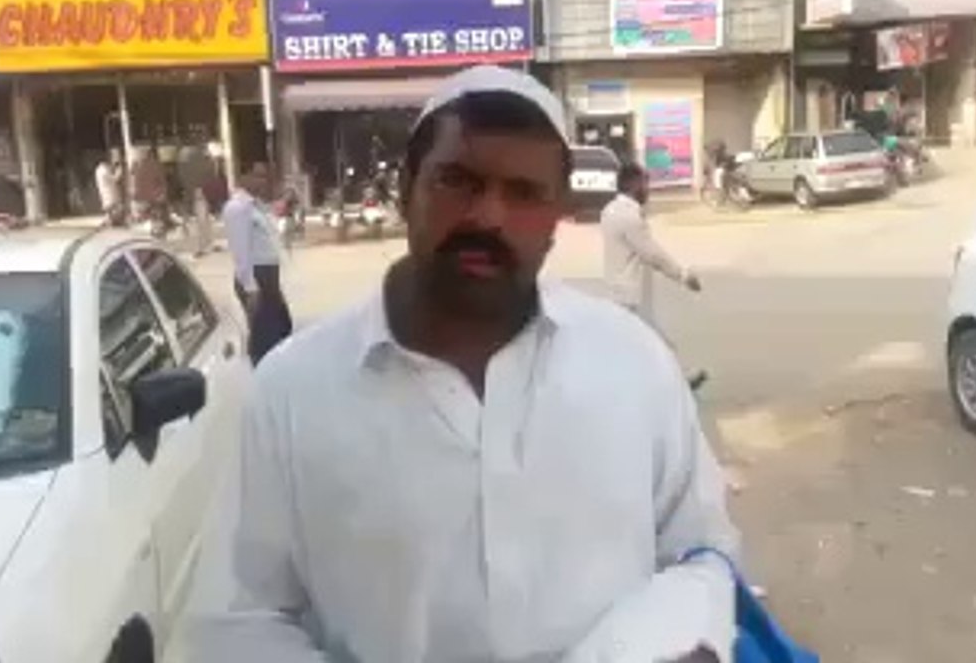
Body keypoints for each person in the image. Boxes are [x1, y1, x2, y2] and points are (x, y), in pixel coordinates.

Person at [182, 66, 737, 663]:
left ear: (557, 215)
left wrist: (673, 642)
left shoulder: (634, 364)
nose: (488, 217)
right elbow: (237, 621)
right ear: (406, 190)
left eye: (524, 193)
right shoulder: (292, 391)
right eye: (457, 181)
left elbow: (702, 556)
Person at [601, 162, 708, 390]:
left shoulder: (610, 210)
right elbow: (653, 255)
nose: (648, 190)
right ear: (633, 184)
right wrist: (683, 276)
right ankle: (679, 381)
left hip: (617, 290)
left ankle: (667, 381)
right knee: (655, 342)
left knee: (635, 344)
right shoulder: (629, 217)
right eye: (645, 183)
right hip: (631, 294)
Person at [222, 165, 292, 365]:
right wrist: (250, 287)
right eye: (257, 176)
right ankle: (264, 376)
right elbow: (240, 250)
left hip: (268, 278)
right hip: (256, 277)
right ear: (244, 178)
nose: (262, 182)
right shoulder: (237, 208)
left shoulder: (256, 206)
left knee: (282, 328)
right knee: (265, 342)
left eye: (265, 177)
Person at [94, 152, 126, 227]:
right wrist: (120, 169)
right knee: (113, 206)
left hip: (106, 191)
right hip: (109, 191)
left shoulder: (98, 169)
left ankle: (109, 220)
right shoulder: (104, 169)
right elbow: (115, 178)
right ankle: (110, 220)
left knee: (110, 206)